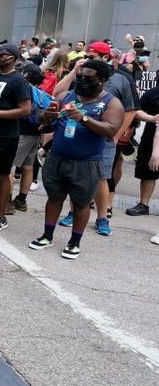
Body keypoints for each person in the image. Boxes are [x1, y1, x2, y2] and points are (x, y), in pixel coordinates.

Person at [29, 60, 122, 259]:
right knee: (54, 198)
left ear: (102, 80)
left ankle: (74, 242)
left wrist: (84, 118)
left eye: (88, 78)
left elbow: (111, 130)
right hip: (58, 158)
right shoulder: (65, 97)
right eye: (80, 77)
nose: (82, 81)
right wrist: (47, 117)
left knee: (80, 203)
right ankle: (47, 235)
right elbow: (45, 125)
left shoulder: (111, 103)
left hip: (87, 162)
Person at [0, 43, 32, 232]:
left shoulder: (18, 81)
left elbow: (25, 110)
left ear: (12, 57)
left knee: (2, 175)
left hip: (6, 136)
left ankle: (1, 215)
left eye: (2, 54)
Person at [11, 65, 50, 213]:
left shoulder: (24, 89)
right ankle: (21, 200)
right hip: (35, 133)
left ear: (26, 74)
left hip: (22, 132)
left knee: (9, 167)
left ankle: (6, 201)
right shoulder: (40, 93)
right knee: (28, 167)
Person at [127, 84, 159, 216]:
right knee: (147, 172)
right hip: (150, 136)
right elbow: (135, 111)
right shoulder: (153, 93)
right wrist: (151, 118)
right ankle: (143, 204)